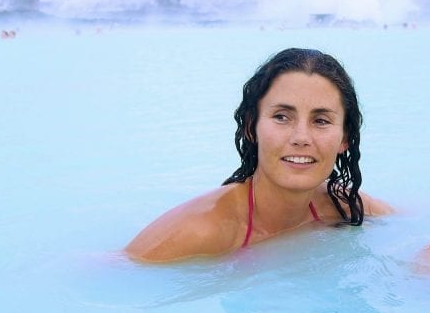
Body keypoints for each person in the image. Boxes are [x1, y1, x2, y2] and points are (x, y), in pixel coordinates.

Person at [126, 48, 392, 262]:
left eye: (321, 121)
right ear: (251, 127)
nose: (301, 137)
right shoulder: (202, 231)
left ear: (344, 138)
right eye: (281, 117)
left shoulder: (340, 205)